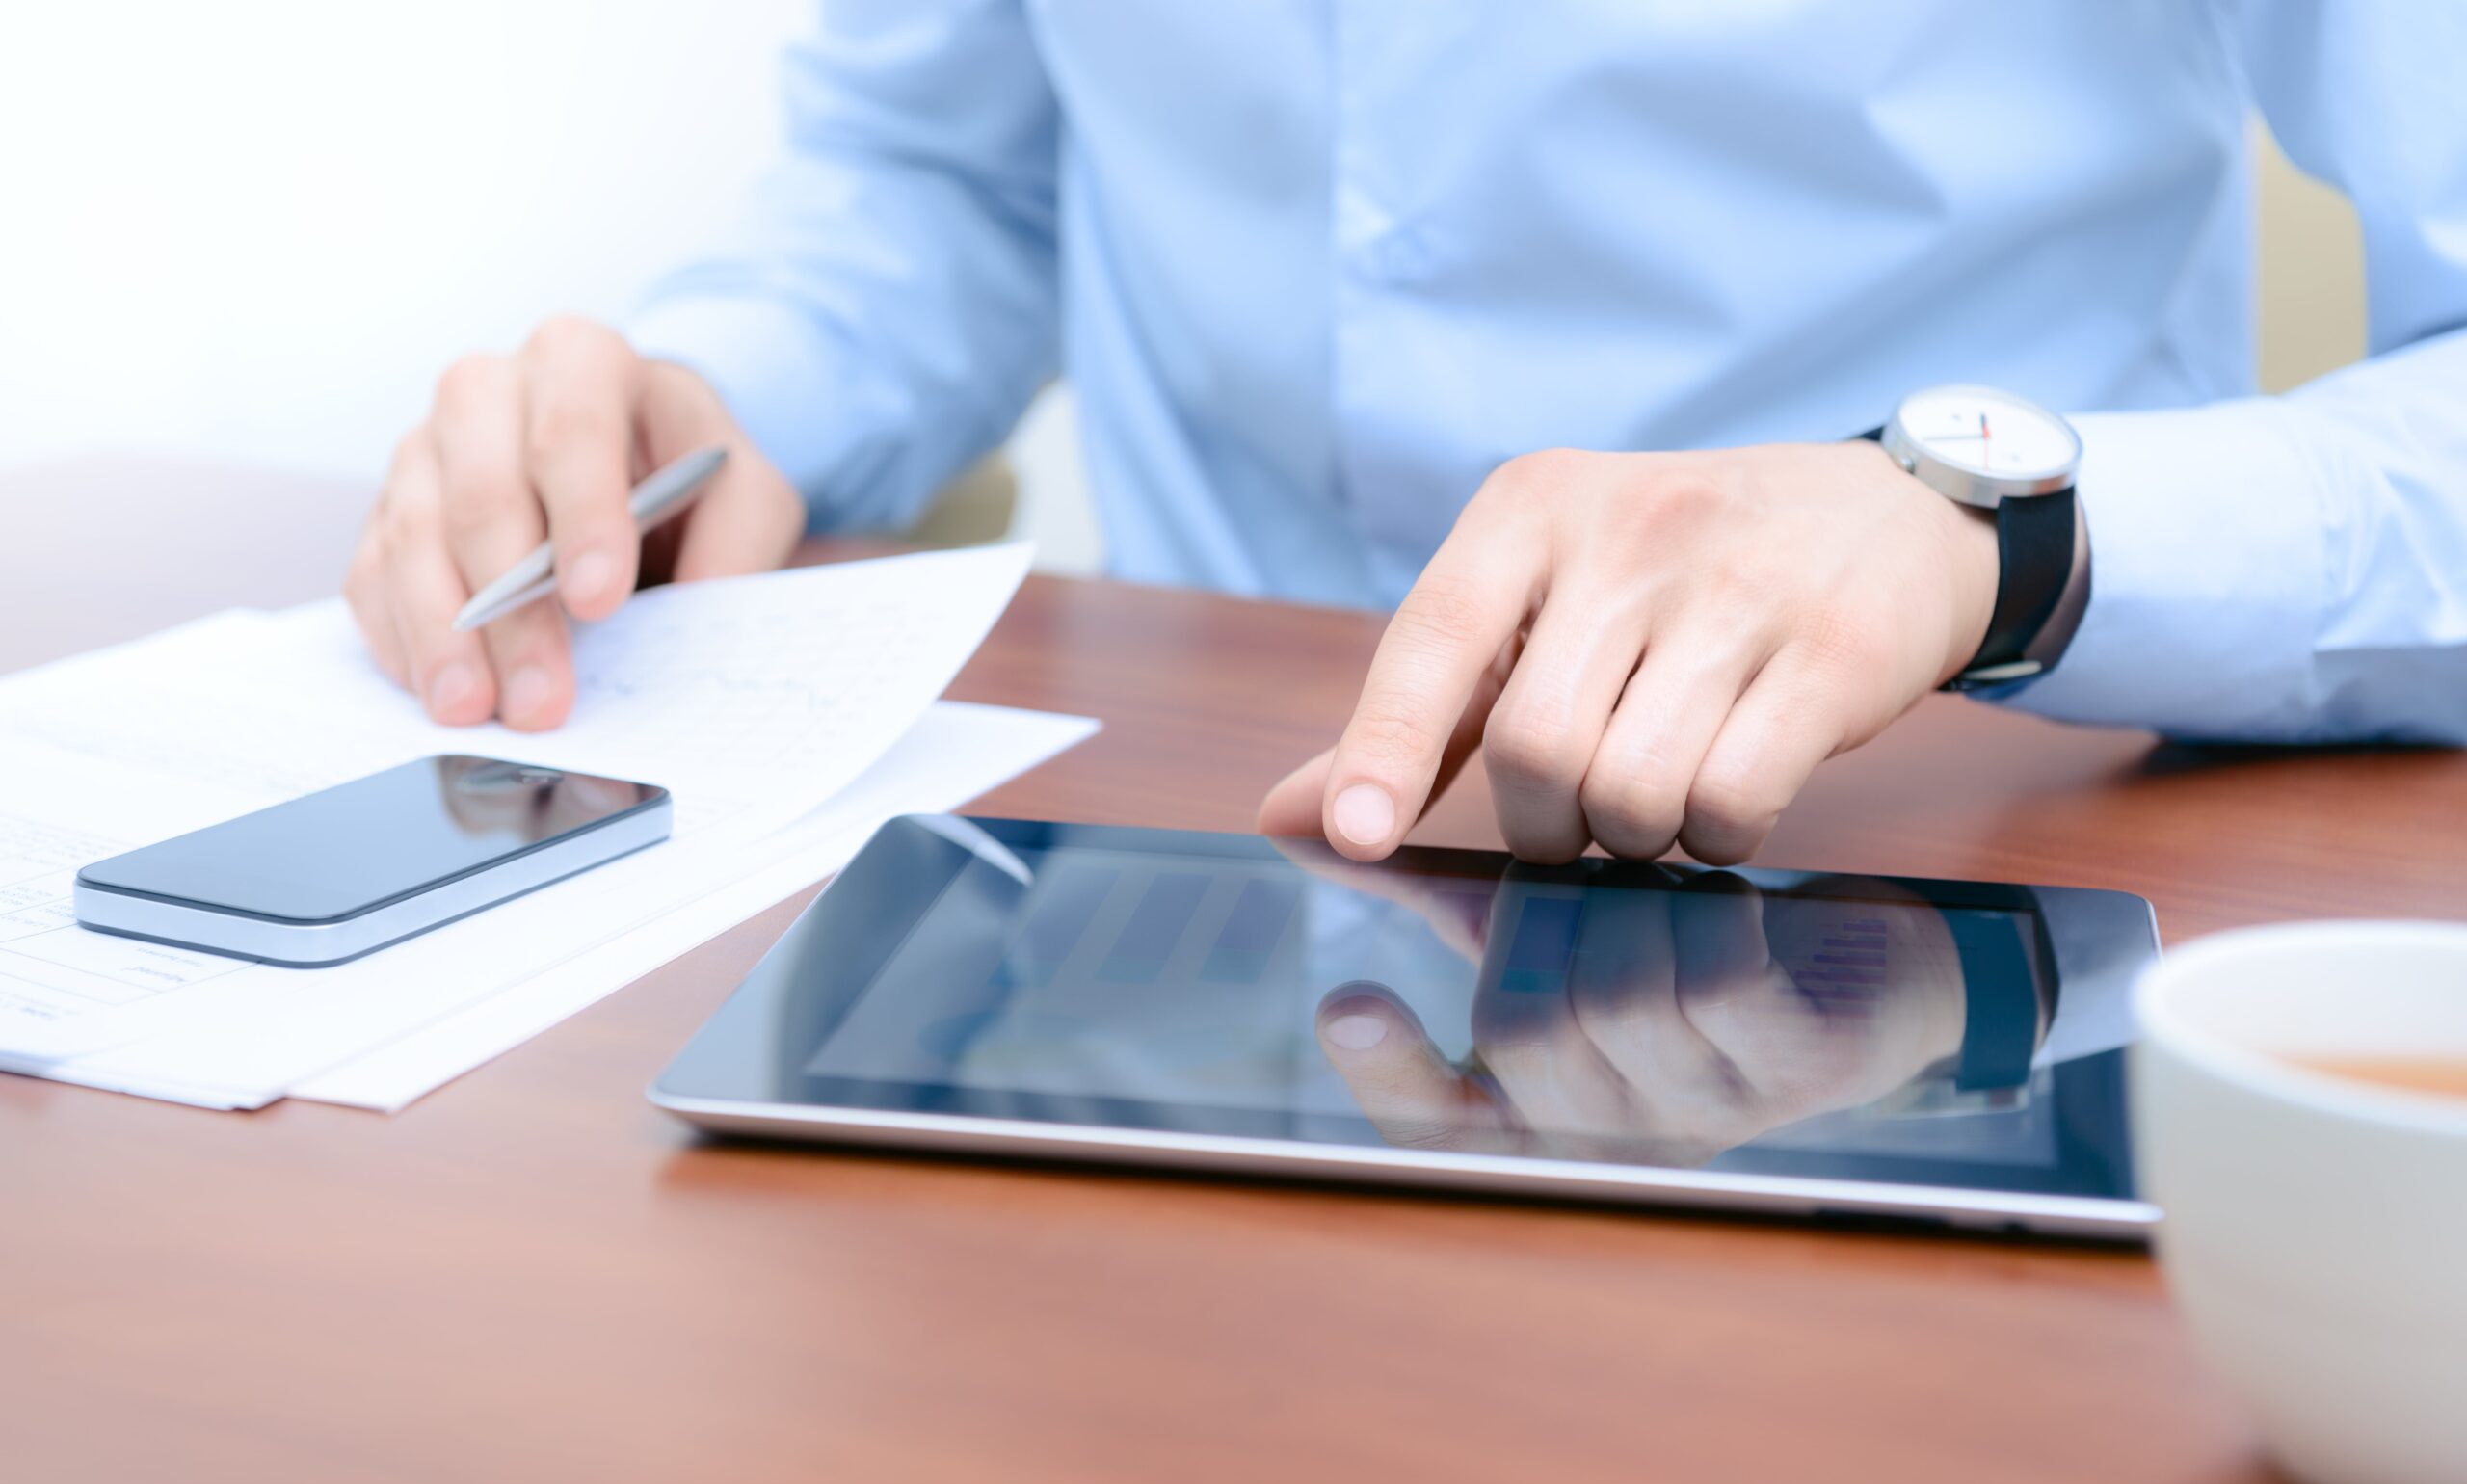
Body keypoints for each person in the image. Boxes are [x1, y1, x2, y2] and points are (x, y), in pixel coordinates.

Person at [343, 3, 2467, 869]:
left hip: (1951, 842)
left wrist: (1985, 528)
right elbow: (946, 175)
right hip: (1181, 865)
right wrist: (713, 397)